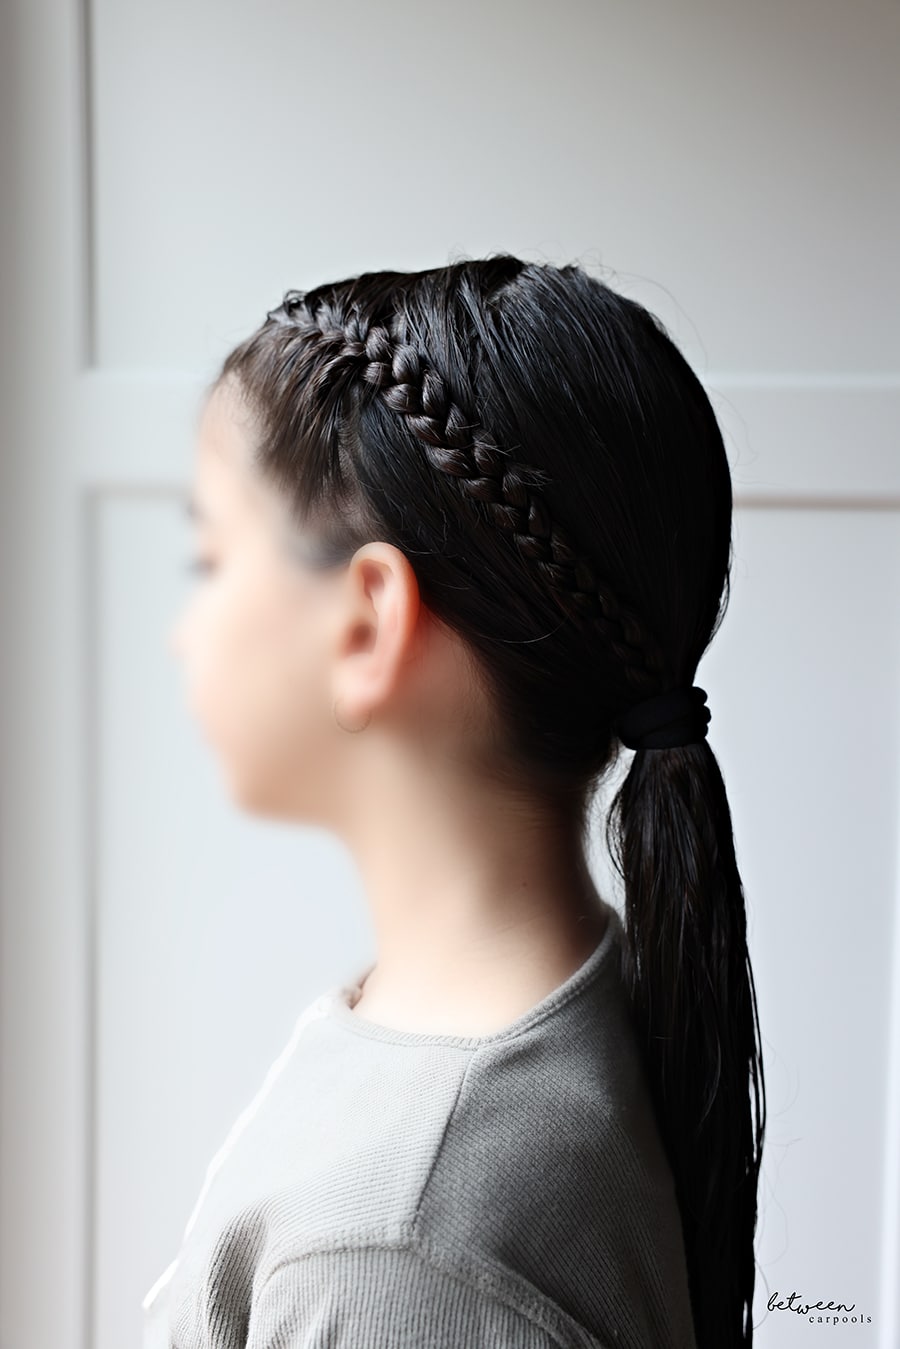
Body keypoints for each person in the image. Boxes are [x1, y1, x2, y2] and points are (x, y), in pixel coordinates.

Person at [150, 255, 766, 1348]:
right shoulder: (553, 1006)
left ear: (367, 621)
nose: (183, 628)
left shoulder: (403, 1249)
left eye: (215, 558)